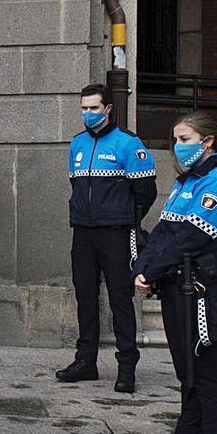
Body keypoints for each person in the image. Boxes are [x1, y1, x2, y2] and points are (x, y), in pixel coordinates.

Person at [133, 112, 217, 434]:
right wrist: (145, 266)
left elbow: (191, 237)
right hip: (180, 286)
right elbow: (166, 233)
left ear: (208, 141)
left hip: (206, 290)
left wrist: (150, 269)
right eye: (176, 139)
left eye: (184, 137)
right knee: (190, 376)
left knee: (210, 378)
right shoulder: (187, 183)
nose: (178, 145)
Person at [57, 83, 157, 393]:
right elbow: (78, 187)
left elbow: (146, 192)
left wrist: (126, 219)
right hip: (83, 232)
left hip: (116, 233)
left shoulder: (128, 144)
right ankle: (86, 361)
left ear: (108, 109)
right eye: (84, 108)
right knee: (85, 298)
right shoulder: (77, 143)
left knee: (120, 299)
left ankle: (127, 366)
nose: (87, 114)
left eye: (93, 108)